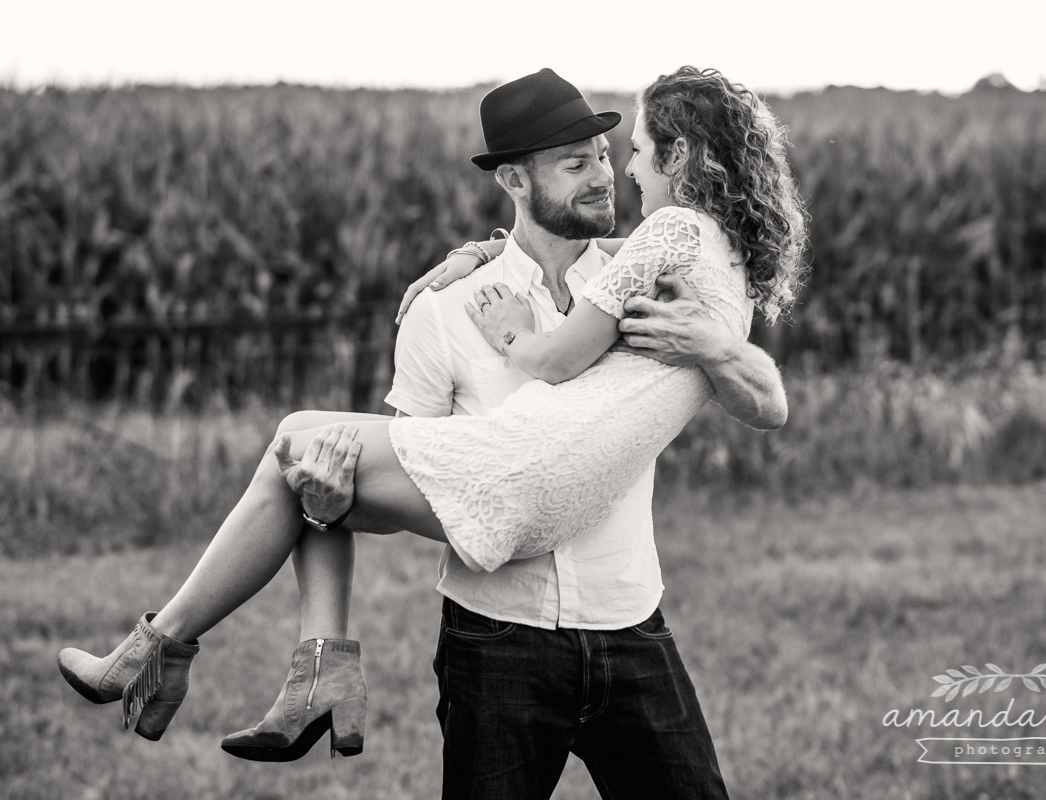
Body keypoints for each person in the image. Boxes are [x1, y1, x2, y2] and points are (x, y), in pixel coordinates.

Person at [57, 67, 808, 794]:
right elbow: (410, 479)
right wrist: (324, 500)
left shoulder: (644, 267)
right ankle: (264, 665)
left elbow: (765, 399)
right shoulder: (446, 307)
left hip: (628, 622)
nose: (611, 175)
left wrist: (704, 347)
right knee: (315, 459)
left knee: (295, 439)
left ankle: (200, 655)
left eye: (614, 154)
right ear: (514, 182)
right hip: (498, 638)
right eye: (578, 163)